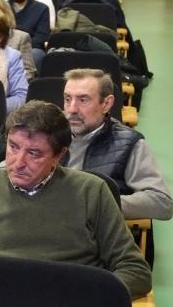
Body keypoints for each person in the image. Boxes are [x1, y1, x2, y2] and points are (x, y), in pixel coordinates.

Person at [0, 100, 152, 299]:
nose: (18, 162)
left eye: (34, 153)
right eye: (13, 147)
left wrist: (83, 296)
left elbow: (135, 271)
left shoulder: (92, 191)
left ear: (59, 156)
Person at [62, 68, 172, 220]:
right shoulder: (49, 135)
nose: (72, 109)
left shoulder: (129, 143)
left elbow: (162, 203)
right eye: (67, 99)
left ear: (106, 104)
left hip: (93, 237)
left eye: (83, 100)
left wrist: (98, 204)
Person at [8, 0, 50, 70]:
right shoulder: (3, 7)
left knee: (37, 54)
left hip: (30, 49)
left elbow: (41, 38)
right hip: (5, 48)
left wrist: (19, 48)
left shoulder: (42, 9)